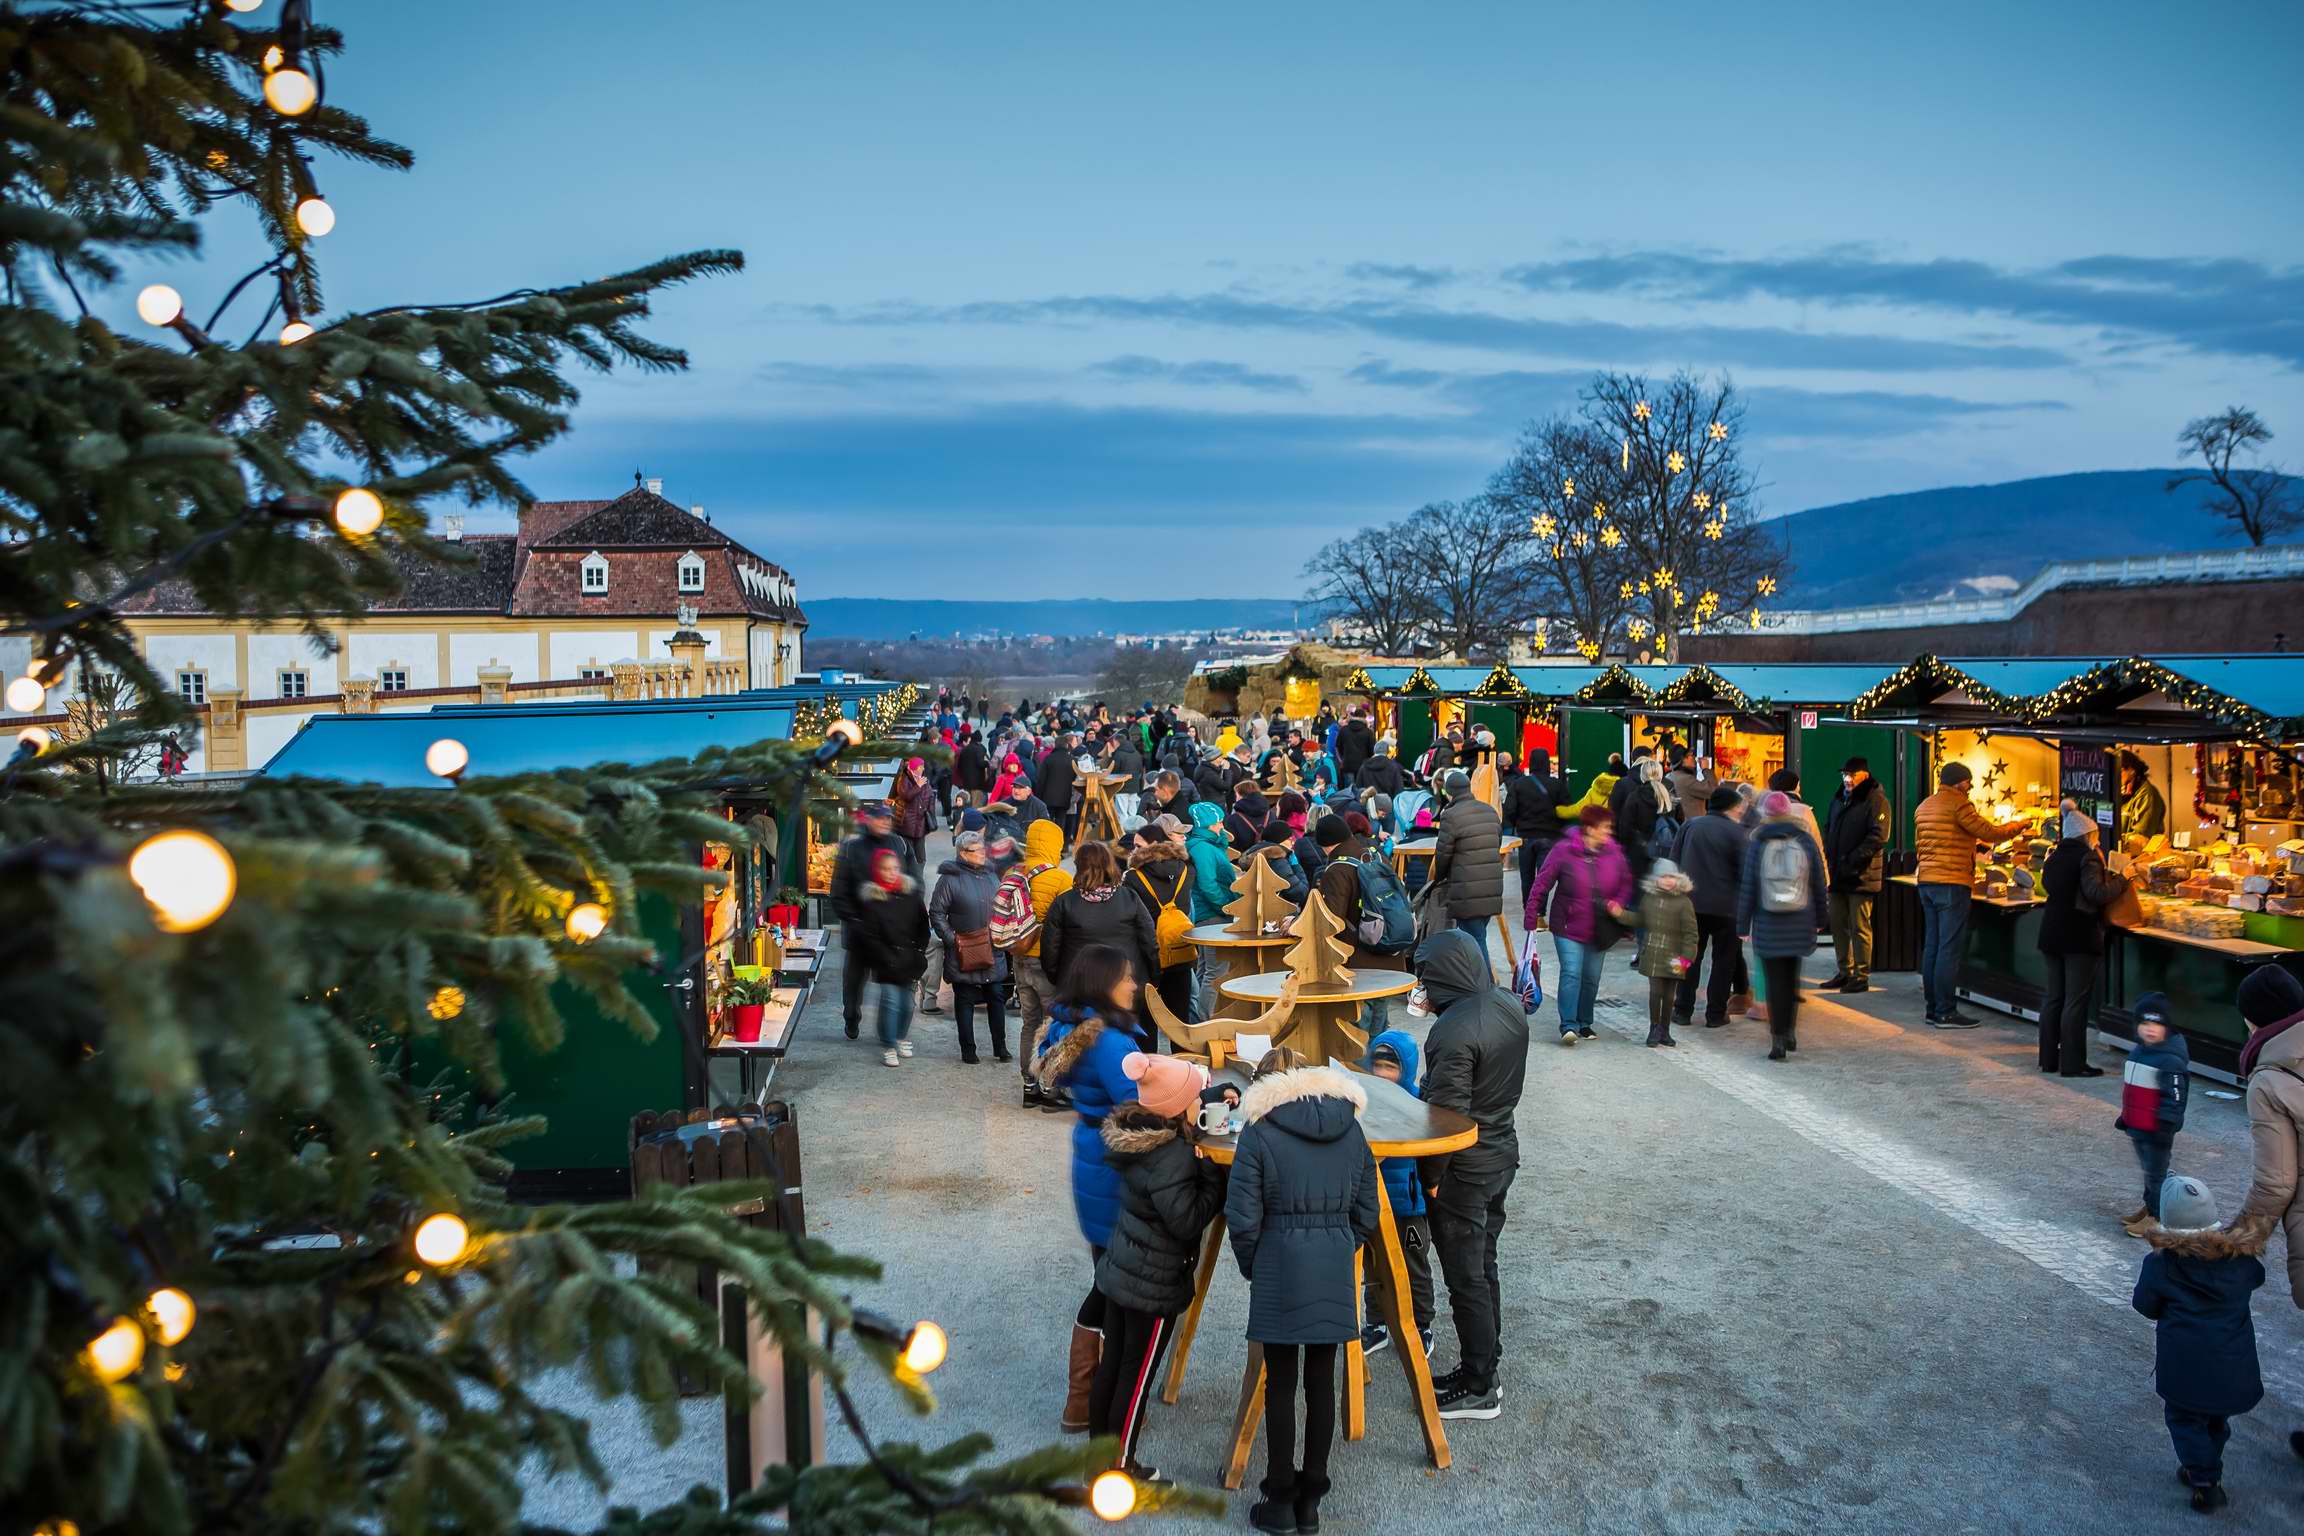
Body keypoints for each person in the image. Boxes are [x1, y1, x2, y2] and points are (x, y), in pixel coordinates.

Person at [1225, 1058, 1380, 1534]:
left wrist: (1256, 1266)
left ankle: (1278, 1498)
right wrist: (1339, 1246)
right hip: (1331, 1264)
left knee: (1280, 1384)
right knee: (1320, 1380)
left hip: (1278, 1264)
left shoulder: (1258, 1130)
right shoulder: (1351, 1129)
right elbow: (1367, 1211)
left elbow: (1242, 1217)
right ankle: (1310, 1501)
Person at [1412, 927, 1529, 1421]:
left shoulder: (1454, 1030)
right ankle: (1482, 1367)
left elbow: (1448, 1116)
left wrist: (1431, 1176)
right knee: (1484, 1266)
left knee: (1467, 1278)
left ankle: (1481, 1385)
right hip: (1500, 1153)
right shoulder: (1507, 1005)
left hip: (1464, 1167)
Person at [1035, 944, 1152, 1434]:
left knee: (1105, 1273)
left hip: (1092, 1155)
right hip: (1114, 1164)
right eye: (1126, 978)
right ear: (1105, 984)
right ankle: (1086, 1398)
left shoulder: (1072, 1028)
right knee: (1112, 1284)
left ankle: (1085, 1397)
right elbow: (1140, 1104)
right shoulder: (1110, 1043)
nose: (1134, 986)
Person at [1089, 1052, 1222, 1481]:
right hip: (1154, 1283)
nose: (1200, 1102)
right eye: (1197, 1097)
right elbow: (1187, 1220)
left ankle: (1096, 1460)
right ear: (1181, 1108)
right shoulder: (1175, 1158)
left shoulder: (1140, 1137)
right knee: (1136, 1378)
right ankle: (1120, 1469)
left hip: (1121, 1268)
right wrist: (1212, 1178)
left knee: (1112, 1365)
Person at [2131, 1174, 2264, 1514]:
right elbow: (2257, 1277)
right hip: (2233, 1367)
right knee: (2216, 1419)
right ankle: (2204, 1464)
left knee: (2185, 1420)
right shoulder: (2240, 1262)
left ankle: (2205, 1480)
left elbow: (2145, 1305)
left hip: (2186, 1369)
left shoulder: (2162, 1265)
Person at [1913, 762, 2027, 1029]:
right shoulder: (1959, 804)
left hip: (1927, 881)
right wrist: (2018, 826)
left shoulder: (1924, 806)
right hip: (1952, 884)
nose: (1970, 786)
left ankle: (1932, 1009)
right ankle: (1945, 1011)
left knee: (1933, 947)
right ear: (1959, 782)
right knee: (1948, 950)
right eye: (1968, 782)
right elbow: (1989, 832)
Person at [1527, 806, 1633, 1045]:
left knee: (1591, 978)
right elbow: (1542, 883)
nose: (1608, 832)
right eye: (1604, 827)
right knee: (1571, 973)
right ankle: (1568, 1025)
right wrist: (1531, 916)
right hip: (1568, 925)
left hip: (1600, 926)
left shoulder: (1614, 852)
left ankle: (1585, 1022)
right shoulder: (1563, 850)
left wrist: (1618, 902)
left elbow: (1626, 882)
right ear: (1590, 828)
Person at [1737, 790, 1829, 1062]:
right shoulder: (1804, 839)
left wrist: (1743, 924)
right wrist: (1821, 919)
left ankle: (1777, 1038)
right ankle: (1789, 1031)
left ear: (1765, 813)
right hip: (1800, 920)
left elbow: (1749, 886)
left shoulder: (1758, 841)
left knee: (1774, 981)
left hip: (1768, 922)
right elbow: (1818, 883)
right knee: (1791, 979)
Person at [1358, 1030, 1434, 1357]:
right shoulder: (1364, 1102)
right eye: (1378, 1066)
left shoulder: (1418, 1102)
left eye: (1391, 1068)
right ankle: (1377, 1324)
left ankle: (1421, 1324)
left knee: (1414, 1265)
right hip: (1375, 1201)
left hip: (1409, 1206)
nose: (1383, 1074)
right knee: (1374, 1266)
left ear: (1406, 1069)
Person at [2037, 806, 2125, 1077]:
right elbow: (2095, 893)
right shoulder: (2088, 857)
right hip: (2078, 935)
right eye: (2095, 834)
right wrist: (2123, 879)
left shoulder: (2053, 856)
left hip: (2051, 932)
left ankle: (2049, 1059)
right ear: (2087, 834)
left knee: (2054, 998)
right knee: (2075, 1001)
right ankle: (2073, 1064)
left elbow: (2050, 886)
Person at [830, 802, 914, 1042]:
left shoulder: (899, 844)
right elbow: (839, 891)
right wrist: (854, 920)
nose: (885, 822)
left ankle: (890, 1033)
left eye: (888, 818)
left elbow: (913, 880)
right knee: (854, 982)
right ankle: (851, 1017)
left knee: (893, 983)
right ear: (868, 820)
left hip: (891, 930)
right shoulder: (851, 847)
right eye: (880, 818)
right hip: (859, 929)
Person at [1670, 785, 1749, 1030]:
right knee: (1724, 961)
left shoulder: (1689, 826)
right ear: (1731, 807)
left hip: (1691, 904)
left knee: (1688, 957)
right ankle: (1716, 1014)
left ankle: (1682, 1009)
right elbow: (1746, 873)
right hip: (1727, 907)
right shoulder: (1738, 833)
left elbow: (1674, 862)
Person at [930, 830, 1009, 1064]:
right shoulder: (949, 878)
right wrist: (952, 939)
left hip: (991, 947)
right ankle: (968, 1049)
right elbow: (937, 912)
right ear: (963, 853)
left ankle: (1000, 1047)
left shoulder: (991, 874)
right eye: (977, 850)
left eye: (984, 848)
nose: (983, 853)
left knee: (996, 996)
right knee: (964, 999)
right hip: (963, 950)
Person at [1010, 819, 1073, 1107]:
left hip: (1019, 957)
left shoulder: (1014, 873)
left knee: (1029, 1023)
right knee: (1052, 1025)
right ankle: (1050, 1088)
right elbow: (1068, 923)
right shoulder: (1060, 878)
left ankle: (1029, 1086)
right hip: (1046, 962)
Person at [1043, 840, 1159, 995]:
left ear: (1079, 866)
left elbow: (1049, 948)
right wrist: (1154, 976)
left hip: (1078, 984)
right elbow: (1149, 941)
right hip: (1125, 982)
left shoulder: (1064, 902)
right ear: (1109, 863)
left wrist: (1059, 979)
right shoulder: (1129, 897)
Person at [851, 847, 930, 1067]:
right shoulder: (872, 901)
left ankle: (900, 1037)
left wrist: (919, 951)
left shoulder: (910, 895)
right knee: (891, 1002)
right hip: (886, 961)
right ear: (877, 870)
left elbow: (923, 925)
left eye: (894, 868)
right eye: (885, 869)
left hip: (910, 959)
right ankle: (888, 1044)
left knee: (907, 1005)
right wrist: (885, 957)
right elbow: (870, 936)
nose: (891, 873)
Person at [1821, 757, 1890, 994]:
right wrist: (1831, 856)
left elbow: (1878, 836)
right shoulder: (1839, 798)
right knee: (1838, 924)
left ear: (1865, 775)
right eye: (1845, 775)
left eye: (1852, 775)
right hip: (1837, 873)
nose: (1847, 779)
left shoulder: (1876, 800)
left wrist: (1853, 860)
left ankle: (1861, 975)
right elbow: (1829, 827)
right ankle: (1845, 971)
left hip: (1861, 874)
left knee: (1859, 926)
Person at [2117, 993, 2189, 1219]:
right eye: (2145, 1023)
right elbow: (2133, 1089)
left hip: (2157, 1130)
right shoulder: (2139, 1052)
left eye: (2157, 1024)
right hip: (2138, 1126)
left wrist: (2165, 1125)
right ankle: (2150, 1207)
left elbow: (2175, 1098)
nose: (2150, 1029)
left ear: (2167, 1027)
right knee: (2149, 1172)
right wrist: (2126, 1117)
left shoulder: (2170, 1060)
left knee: (2156, 1174)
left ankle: (2158, 1217)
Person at [1125, 820, 1198, 1027]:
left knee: (1146, 1022)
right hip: (1179, 949)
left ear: (1154, 844)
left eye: (1138, 846)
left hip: (1147, 955)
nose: (1133, 850)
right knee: (1180, 1021)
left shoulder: (1134, 877)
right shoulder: (1186, 869)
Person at [1429, 768, 1504, 953]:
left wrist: (1438, 879)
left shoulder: (1450, 815)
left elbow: (1443, 854)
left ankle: (1484, 973)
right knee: (1477, 937)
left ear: (1449, 792)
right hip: (1491, 888)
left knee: (1475, 942)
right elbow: (1497, 844)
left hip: (1467, 890)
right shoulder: (1490, 811)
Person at [1634, 856, 1699, 1048]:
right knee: (1655, 992)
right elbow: (1640, 920)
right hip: (1653, 954)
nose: (1668, 881)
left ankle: (1665, 1030)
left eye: (1672, 877)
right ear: (1655, 879)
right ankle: (1654, 1028)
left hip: (1675, 957)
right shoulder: (1648, 899)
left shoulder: (1684, 902)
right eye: (1663, 877)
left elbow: (1691, 934)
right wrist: (1620, 914)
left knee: (1670, 996)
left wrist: (1686, 958)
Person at [1501, 746, 1565, 908]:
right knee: (1544, 877)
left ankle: (1528, 908)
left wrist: (1517, 825)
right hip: (1549, 836)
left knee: (1527, 876)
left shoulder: (1519, 784)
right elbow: (1565, 810)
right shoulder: (1557, 785)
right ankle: (1539, 911)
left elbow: (1509, 810)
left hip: (1525, 836)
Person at [891, 756, 936, 871]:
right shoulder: (904, 779)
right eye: (921, 767)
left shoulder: (923, 779)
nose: (923, 769)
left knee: (921, 856)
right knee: (909, 853)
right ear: (914, 768)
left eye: (923, 766)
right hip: (907, 823)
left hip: (920, 823)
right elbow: (906, 796)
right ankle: (910, 874)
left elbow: (930, 796)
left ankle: (918, 875)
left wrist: (931, 814)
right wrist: (918, 786)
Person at [1664, 745, 1719, 826]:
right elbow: (1713, 791)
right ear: (1683, 759)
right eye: (1690, 755)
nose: (1694, 758)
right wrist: (1706, 769)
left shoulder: (1669, 776)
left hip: (1682, 826)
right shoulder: (1685, 780)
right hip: (1693, 826)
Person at [2119, 750, 2168, 840]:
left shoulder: (2147, 795)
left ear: (2132, 770)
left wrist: (2114, 839)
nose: (2115, 775)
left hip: (2142, 848)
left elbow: (2141, 836)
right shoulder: (2122, 792)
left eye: (2120, 771)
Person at [1336, 706, 1376, 783]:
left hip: (1347, 765)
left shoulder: (1344, 730)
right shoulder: (1368, 732)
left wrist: (1342, 760)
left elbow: (1338, 746)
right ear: (1364, 718)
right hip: (1363, 767)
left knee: (1348, 789)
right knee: (1361, 789)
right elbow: (1372, 751)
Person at [953, 728, 990, 809]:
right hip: (977, 782)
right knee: (976, 802)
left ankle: (966, 813)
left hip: (966, 781)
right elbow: (980, 763)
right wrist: (987, 763)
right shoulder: (980, 749)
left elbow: (959, 765)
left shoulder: (965, 749)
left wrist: (962, 776)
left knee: (967, 800)